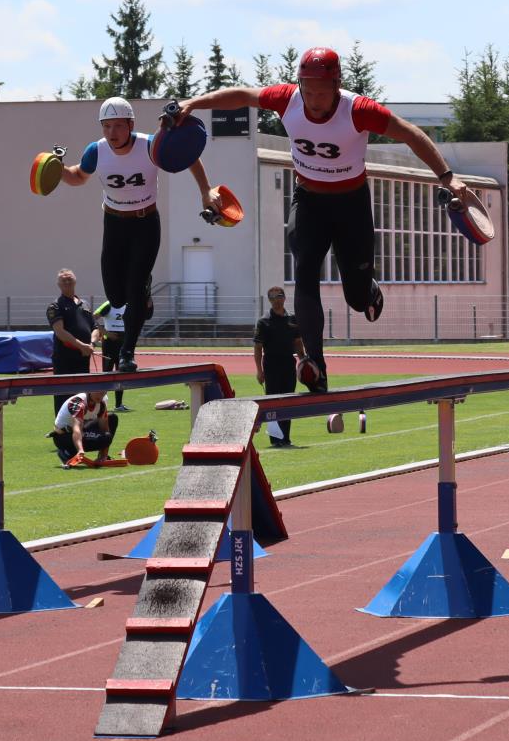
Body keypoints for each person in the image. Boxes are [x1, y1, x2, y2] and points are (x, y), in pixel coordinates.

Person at [169, 48, 474, 390]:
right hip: (308, 200)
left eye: (321, 92)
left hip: (351, 205)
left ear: (337, 85)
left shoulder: (358, 109)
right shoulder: (287, 99)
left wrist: (447, 177)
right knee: (304, 272)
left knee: (356, 299)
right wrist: (192, 103)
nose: (313, 100)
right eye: (308, 91)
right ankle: (315, 361)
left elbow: (410, 133)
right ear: (299, 84)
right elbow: (242, 95)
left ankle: (368, 291)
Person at [57, 96, 220, 372]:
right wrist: (56, 169)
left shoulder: (150, 145)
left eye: (118, 126)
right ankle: (143, 294)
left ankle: (127, 353)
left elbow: (189, 157)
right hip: (114, 223)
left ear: (130, 125)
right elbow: (77, 175)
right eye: (106, 127)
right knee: (116, 296)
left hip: (145, 223)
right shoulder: (96, 150)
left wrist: (205, 191)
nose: (112, 133)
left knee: (133, 291)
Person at [254, 286, 306, 447]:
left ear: (284, 298)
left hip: (288, 363)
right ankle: (275, 439)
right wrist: (259, 371)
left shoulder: (292, 319)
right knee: (273, 402)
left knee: (288, 400)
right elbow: (258, 348)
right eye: (273, 297)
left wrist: (303, 361)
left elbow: (297, 343)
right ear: (269, 300)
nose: (277, 299)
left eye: (280, 296)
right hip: (271, 364)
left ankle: (286, 438)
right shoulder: (263, 321)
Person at [48, 269, 95, 409]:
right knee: (64, 395)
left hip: (83, 357)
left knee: (82, 395)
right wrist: (82, 346)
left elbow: (95, 327)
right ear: (59, 284)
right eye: (64, 280)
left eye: (70, 279)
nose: (67, 282)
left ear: (75, 281)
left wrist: (91, 344)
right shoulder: (55, 306)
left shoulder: (85, 304)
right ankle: (61, 429)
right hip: (64, 359)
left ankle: (80, 426)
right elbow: (60, 332)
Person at [49, 389, 117, 467]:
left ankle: (101, 456)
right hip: (63, 436)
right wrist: (80, 450)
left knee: (112, 419)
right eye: (98, 391)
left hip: (81, 428)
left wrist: (104, 456)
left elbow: (105, 429)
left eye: (103, 392)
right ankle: (67, 452)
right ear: (89, 390)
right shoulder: (78, 402)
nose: (101, 395)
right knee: (103, 437)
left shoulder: (103, 400)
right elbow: (77, 428)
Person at [92, 301, 131, 413]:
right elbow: (92, 318)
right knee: (107, 374)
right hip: (109, 343)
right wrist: (105, 332)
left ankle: (119, 404)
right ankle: (99, 403)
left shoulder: (128, 305)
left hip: (123, 343)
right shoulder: (108, 305)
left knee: (121, 373)